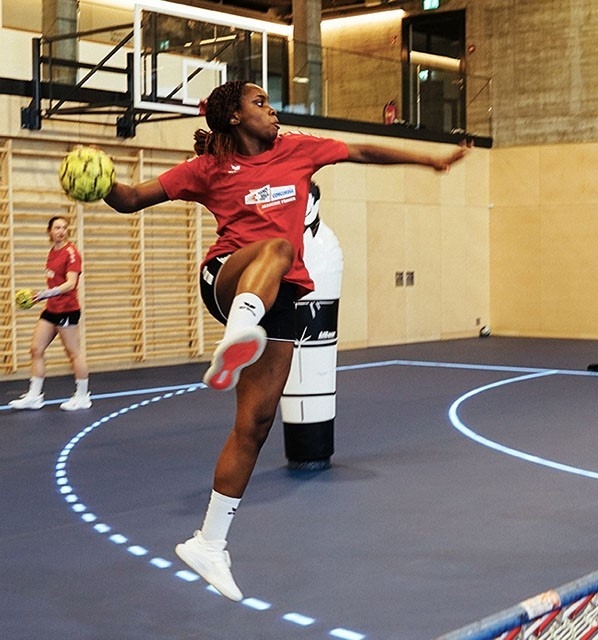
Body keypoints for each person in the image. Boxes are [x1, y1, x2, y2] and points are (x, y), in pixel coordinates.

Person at [103, 79, 467, 601]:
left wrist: (428, 160)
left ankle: (209, 542)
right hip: (229, 277)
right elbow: (132, 198)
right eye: (260, 103)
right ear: (233, 116)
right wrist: (100, 182)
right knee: (274, 245)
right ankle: (238, 332)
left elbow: (362, 149)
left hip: (284, 299)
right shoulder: (210, 170)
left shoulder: (296, 149)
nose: (272, 110)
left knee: (255, 424)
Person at [10, 216, 92, 412]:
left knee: (74, 353)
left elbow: (71, 283)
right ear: (49, 231)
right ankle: (34, 396)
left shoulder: (71, 253)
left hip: (67, 310)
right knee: (36, 349)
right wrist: (41, 297)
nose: (61, 231)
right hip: (51, 309)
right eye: (57, 228)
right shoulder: (52, 252)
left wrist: (46, 293)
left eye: (64, 228)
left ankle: (82, 397)